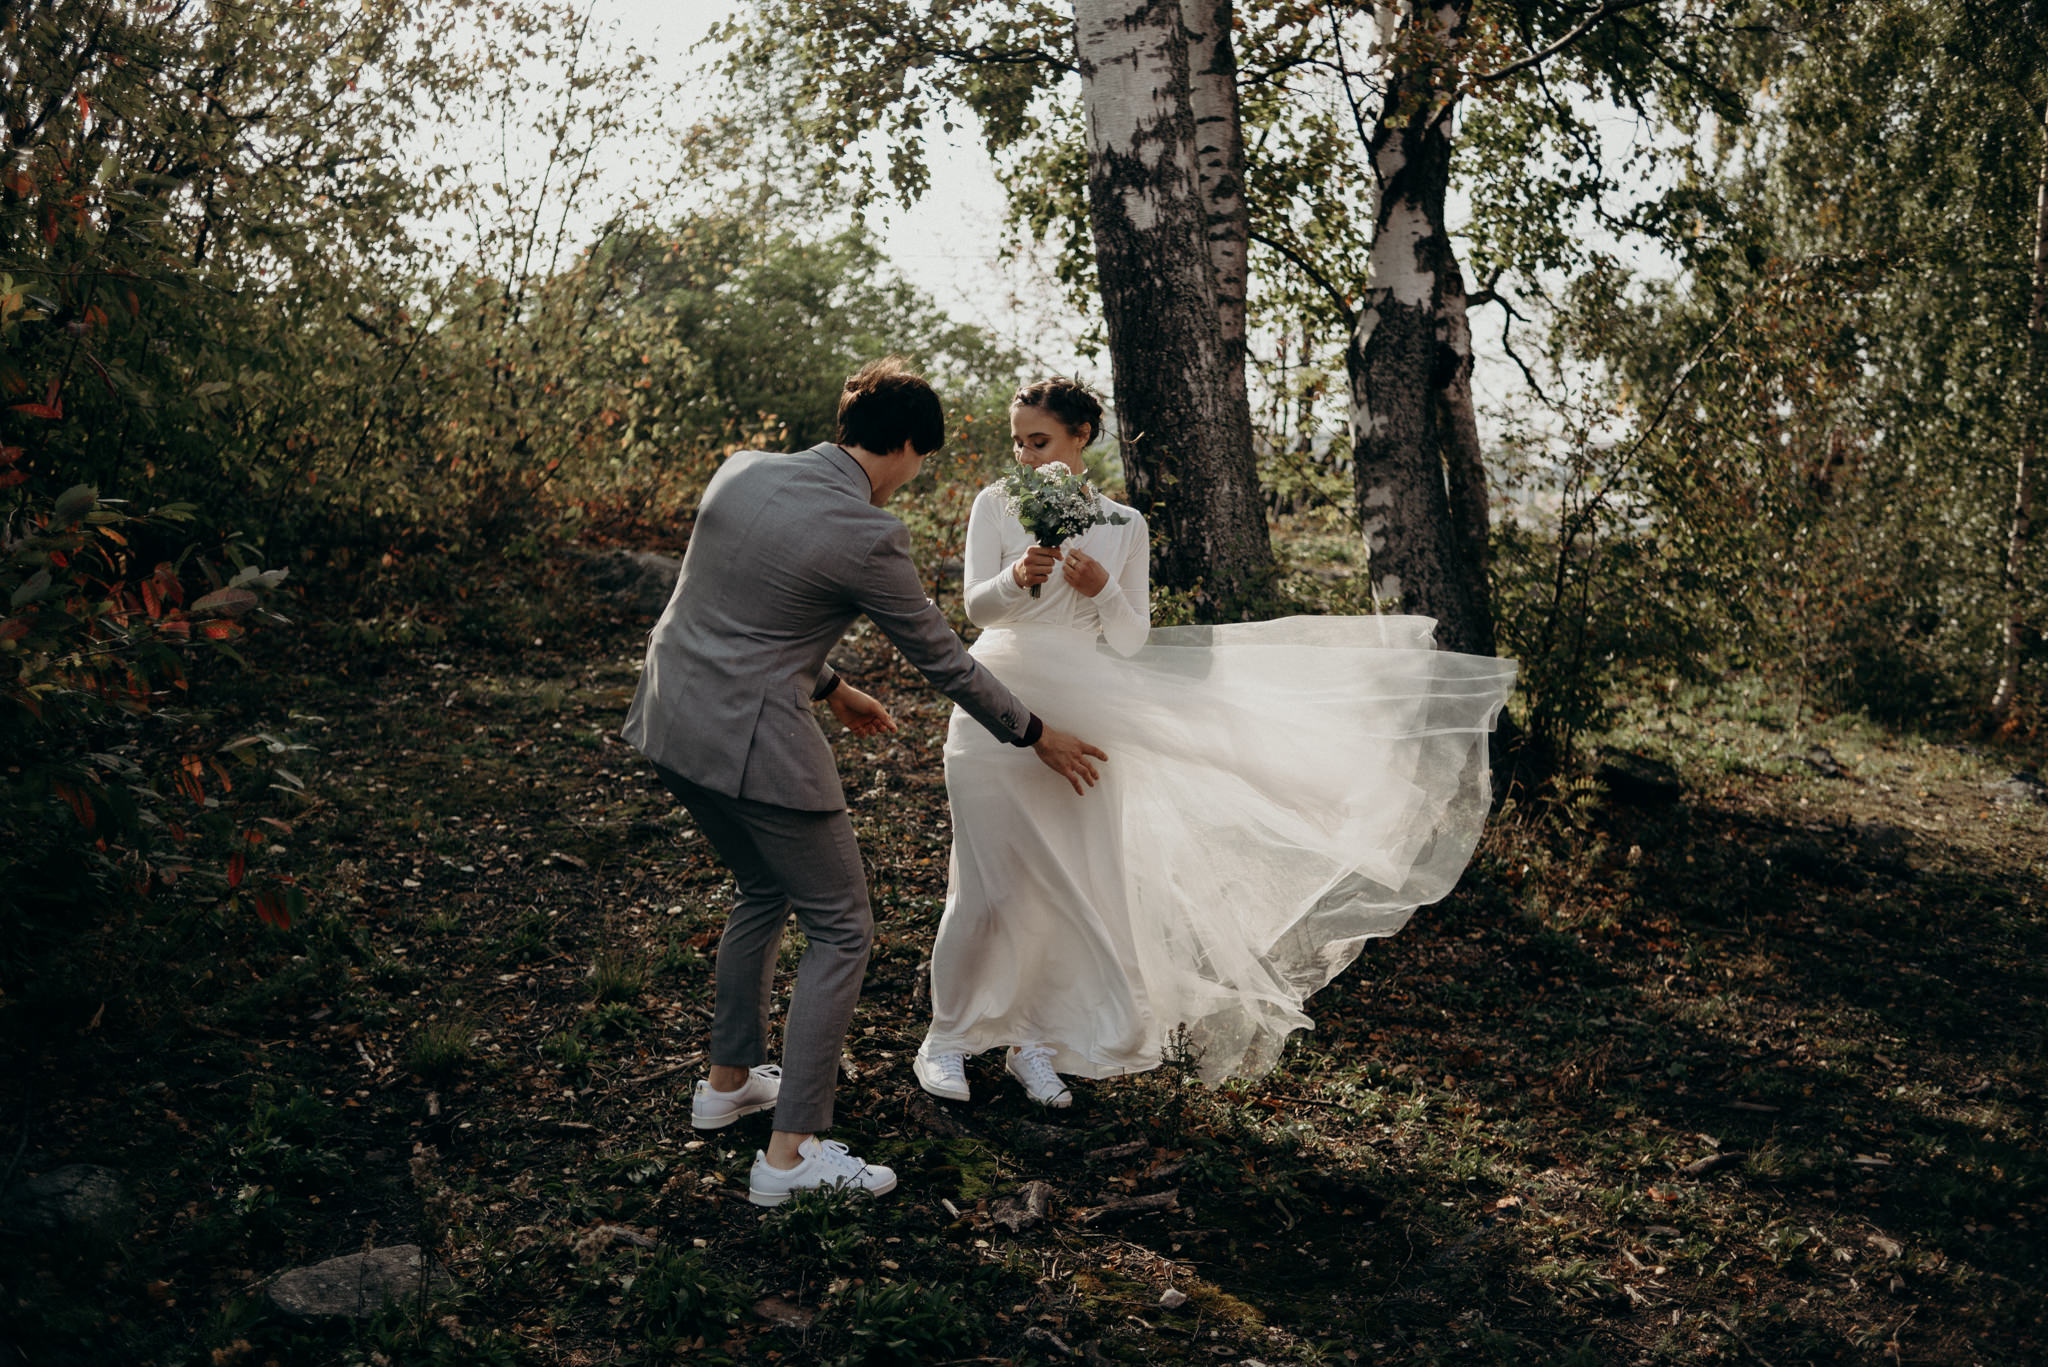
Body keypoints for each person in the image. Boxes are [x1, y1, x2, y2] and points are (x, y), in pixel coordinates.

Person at [915, 377, 1518, 1106]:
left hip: (1093, 710)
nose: (1025, 453)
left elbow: (1132, 638)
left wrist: (1104, 589)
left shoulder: (1123, 523)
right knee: (984, 885)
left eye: (1038, 439)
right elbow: (975, 605)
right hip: (1000, 702)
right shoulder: (996, 503)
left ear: (1080, 438)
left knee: (1074, 887)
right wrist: (1016, 577)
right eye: (1018, 441)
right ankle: (947, 1037)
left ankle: (1036, 1040)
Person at [623, 358, 1107, 1206]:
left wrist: (831, 683)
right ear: (912, 446)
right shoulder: (868, 532)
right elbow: (945, 661)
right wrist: (1035, 733)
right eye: (923, 460)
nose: (917, 476)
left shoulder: (742, 469)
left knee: (761, 887)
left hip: (668, 717)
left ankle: (728, 1081)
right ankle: (790, 1156)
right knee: (843, 927)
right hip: (751, 743)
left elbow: (737, 604)